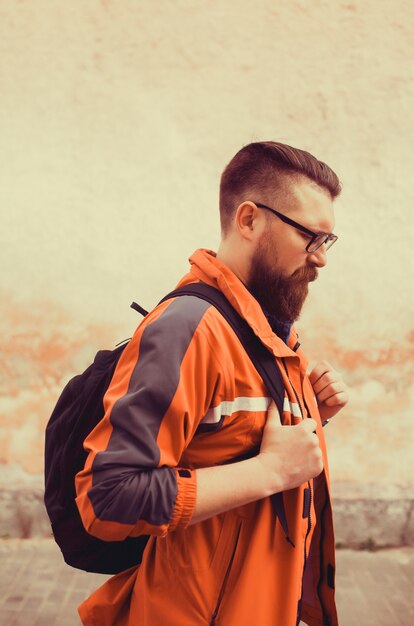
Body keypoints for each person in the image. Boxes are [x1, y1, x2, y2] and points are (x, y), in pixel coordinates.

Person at [75, 141, 349, 626]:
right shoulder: (188, 328)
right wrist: (270, 471)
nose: (321, 258)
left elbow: (225, 444)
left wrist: (307, 413)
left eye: (327, 241)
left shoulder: (268, 328)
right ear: (248, 220)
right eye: (310, 236)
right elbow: (108, 498)